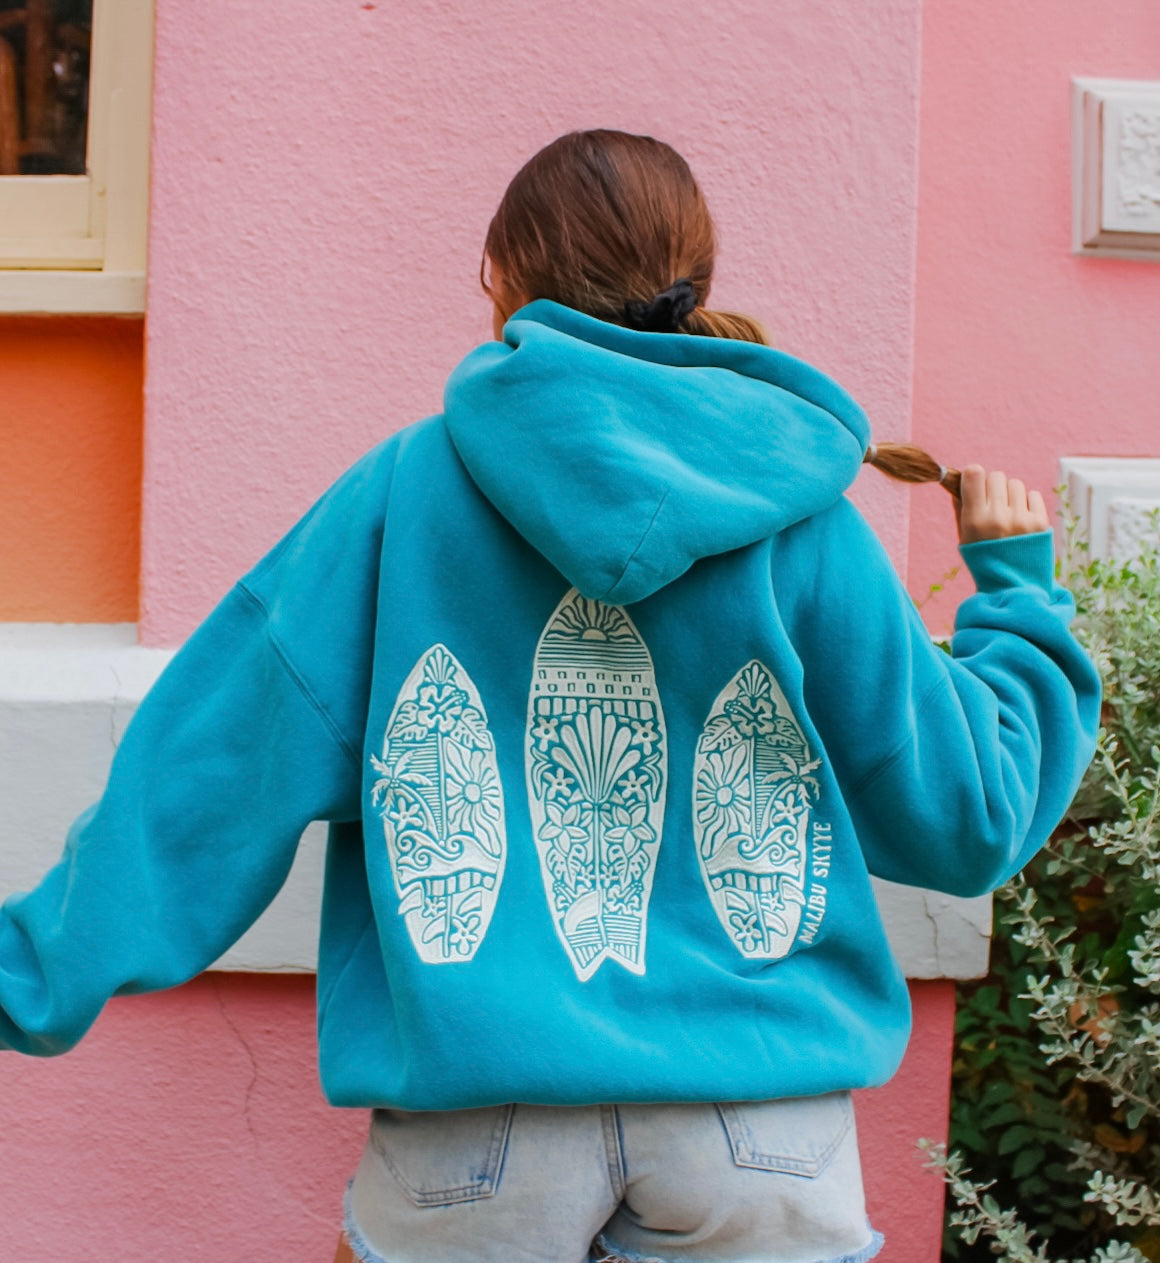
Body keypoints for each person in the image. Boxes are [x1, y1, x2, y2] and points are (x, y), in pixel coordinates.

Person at [0, 129, 1100, 1263]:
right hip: (758, 1122)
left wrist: (29, 974)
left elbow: (206, 781)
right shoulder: (803, 519)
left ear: (501, 280)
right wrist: (1018, 596)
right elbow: (969, 815)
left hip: (480, 1131)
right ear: (694, 279)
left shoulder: (401, 492)